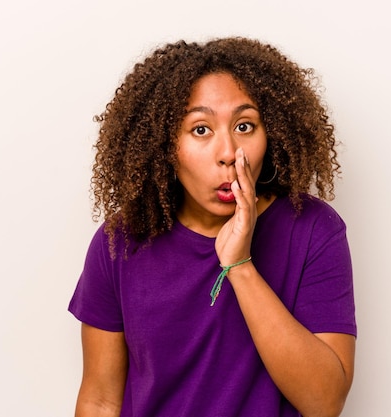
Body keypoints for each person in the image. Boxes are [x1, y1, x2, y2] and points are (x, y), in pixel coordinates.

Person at [68, 37, 356, 417]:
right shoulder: (120, 242)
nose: (228, 153)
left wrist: (240, 265)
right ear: (165, 145)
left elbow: (324, 403)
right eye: (201, 129)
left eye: (245, 125)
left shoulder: (313, 229)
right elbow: (100, 400)